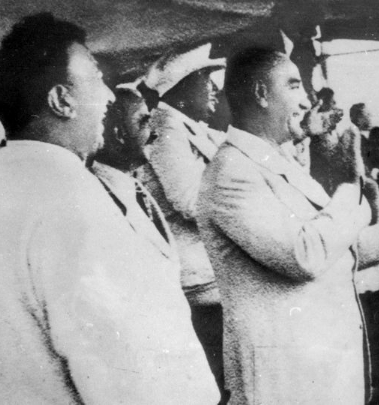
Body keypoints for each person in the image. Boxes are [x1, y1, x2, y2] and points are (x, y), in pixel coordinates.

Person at [0, 13, 218, 405]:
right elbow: (134, 383)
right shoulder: (73, 204)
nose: (109, 97)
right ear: (62, 100)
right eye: (96, 78)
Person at [196, 47, 379, 405]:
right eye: (294, 86)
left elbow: (330, 245)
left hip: (317, 370)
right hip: (283, 381)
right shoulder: (231, 171)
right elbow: (304, 255)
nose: (306, 101)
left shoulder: (273, 162)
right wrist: (347, 185)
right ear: (261, 93)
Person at [137, 43, 228, 402]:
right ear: (182, 86)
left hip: (211, 274)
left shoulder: (191, 129)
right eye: (205, 78)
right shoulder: (166, 129)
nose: (214, 88)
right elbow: (188, 200)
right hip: (198, 281)